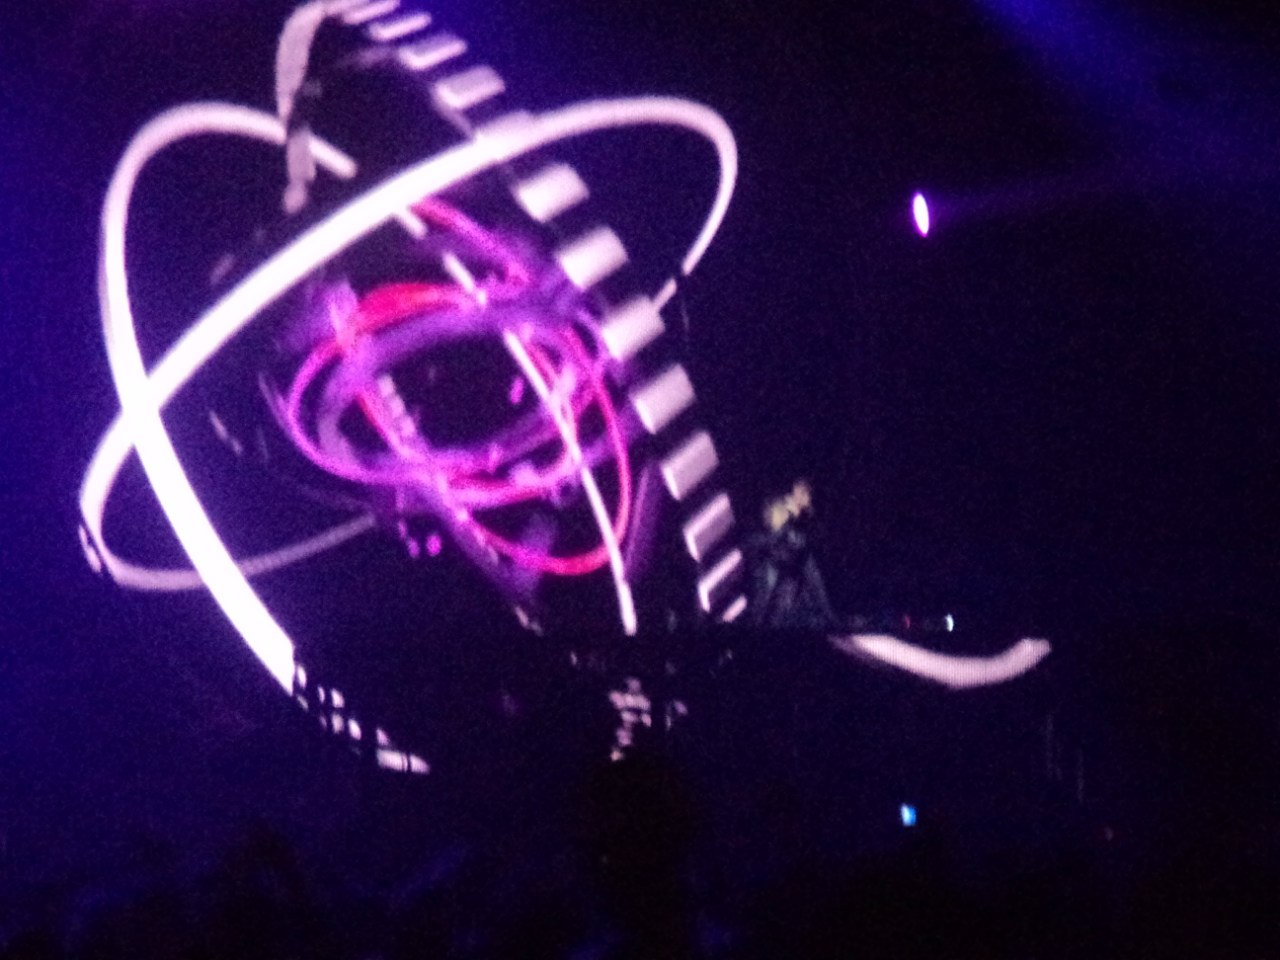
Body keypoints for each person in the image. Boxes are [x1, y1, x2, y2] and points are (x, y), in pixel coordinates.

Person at [747, 480, 839, 631]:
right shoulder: (780, 506)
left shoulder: (804, 516)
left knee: (809, 585)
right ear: (797, 490)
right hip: (775, 560)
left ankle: (831, 620)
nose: (808, 499)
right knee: (765, 602)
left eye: (809, 494)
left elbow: (813, 573)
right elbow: (772, 537)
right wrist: (789, 520)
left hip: (792, 564)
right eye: (806, 493)